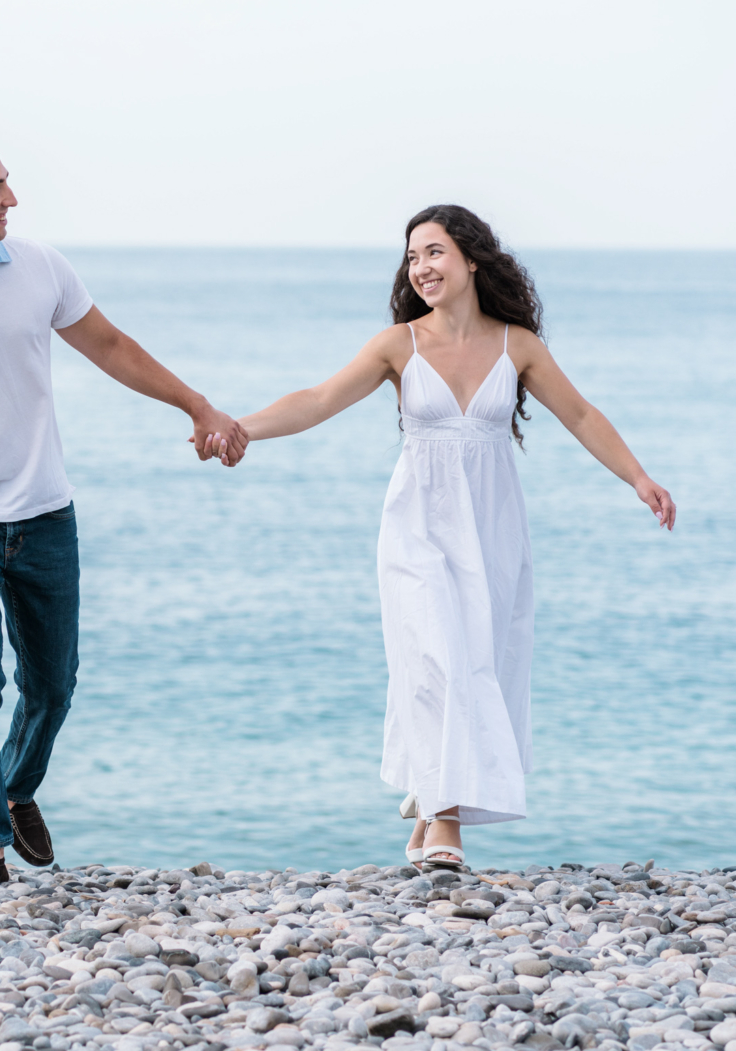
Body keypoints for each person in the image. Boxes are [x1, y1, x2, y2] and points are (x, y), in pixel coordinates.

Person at [211, 204, 675, 872]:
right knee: (435, 657)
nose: (420, 268)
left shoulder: (518, 345)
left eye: (433, 253)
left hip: (491, 528)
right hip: (416, 525)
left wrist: (637, 477)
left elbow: (577, 412)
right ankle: (447, 824)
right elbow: (317, 399)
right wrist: (239, 428)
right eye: (411, 257)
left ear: (470, 259)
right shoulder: (397, 344)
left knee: (476, 661)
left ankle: (431, 805)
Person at [0, 126, 246, 886]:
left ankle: (14, 784)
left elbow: (110, 345)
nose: (12, 199)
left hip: (43, 515)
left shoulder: (39, 268)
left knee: (52, 684)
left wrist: (194, 405)